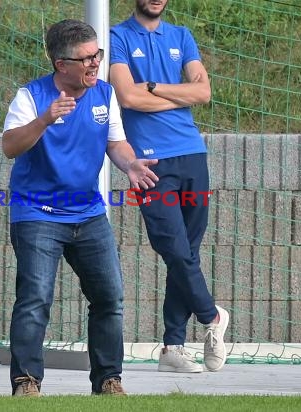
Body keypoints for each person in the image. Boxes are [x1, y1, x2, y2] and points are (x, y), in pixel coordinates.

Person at [2, 19, 159, 396]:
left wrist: (131, 164)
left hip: (89, 215)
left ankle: (108, 379)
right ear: (61, 64)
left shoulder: (104, 94)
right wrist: (46, 118)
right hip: (37, 214)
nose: (95, 64)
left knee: (109, 298)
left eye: (97, 55)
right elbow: (10, 146)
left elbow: (116, 144)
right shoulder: (31, 97)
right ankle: (27, 381)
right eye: (86, 58)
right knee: (35, 298)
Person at [110, 0, 229, 373]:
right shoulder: (117, 37)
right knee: (172, 247)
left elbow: (203, 93)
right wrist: (177, 94)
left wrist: (153, 88)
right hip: (150, 161)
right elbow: (126, 97)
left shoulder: (182, 36)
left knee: (187, 252)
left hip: (192, 154)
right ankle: (212, 316)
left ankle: (172, 347)